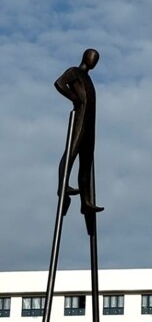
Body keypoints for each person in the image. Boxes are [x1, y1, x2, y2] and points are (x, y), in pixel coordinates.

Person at [55, 48, 103, 215]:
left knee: (86, 162)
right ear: (85, 57)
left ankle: (86, 201)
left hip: (90, 123)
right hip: (79, 120)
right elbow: (60, 83)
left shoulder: (88, 79)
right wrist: (73, 98)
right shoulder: (74, 72)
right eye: (93, 58)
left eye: (96, 59)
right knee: (71, 152)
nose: (94, 62)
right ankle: (63, 185)